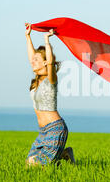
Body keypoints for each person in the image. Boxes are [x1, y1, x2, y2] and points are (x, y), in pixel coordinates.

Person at [24, 22, 75, 169]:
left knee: (38, 165)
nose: (32, 62)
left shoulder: (51, 79)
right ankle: (64, 154)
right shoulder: (37, 81)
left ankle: (61, 155)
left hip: (55, 128)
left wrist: (47, 41)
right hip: (43, 132)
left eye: (37, 60)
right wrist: (28, 37)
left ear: (45, 62)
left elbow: (51, 63)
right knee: (29, 164)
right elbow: (31, 57)